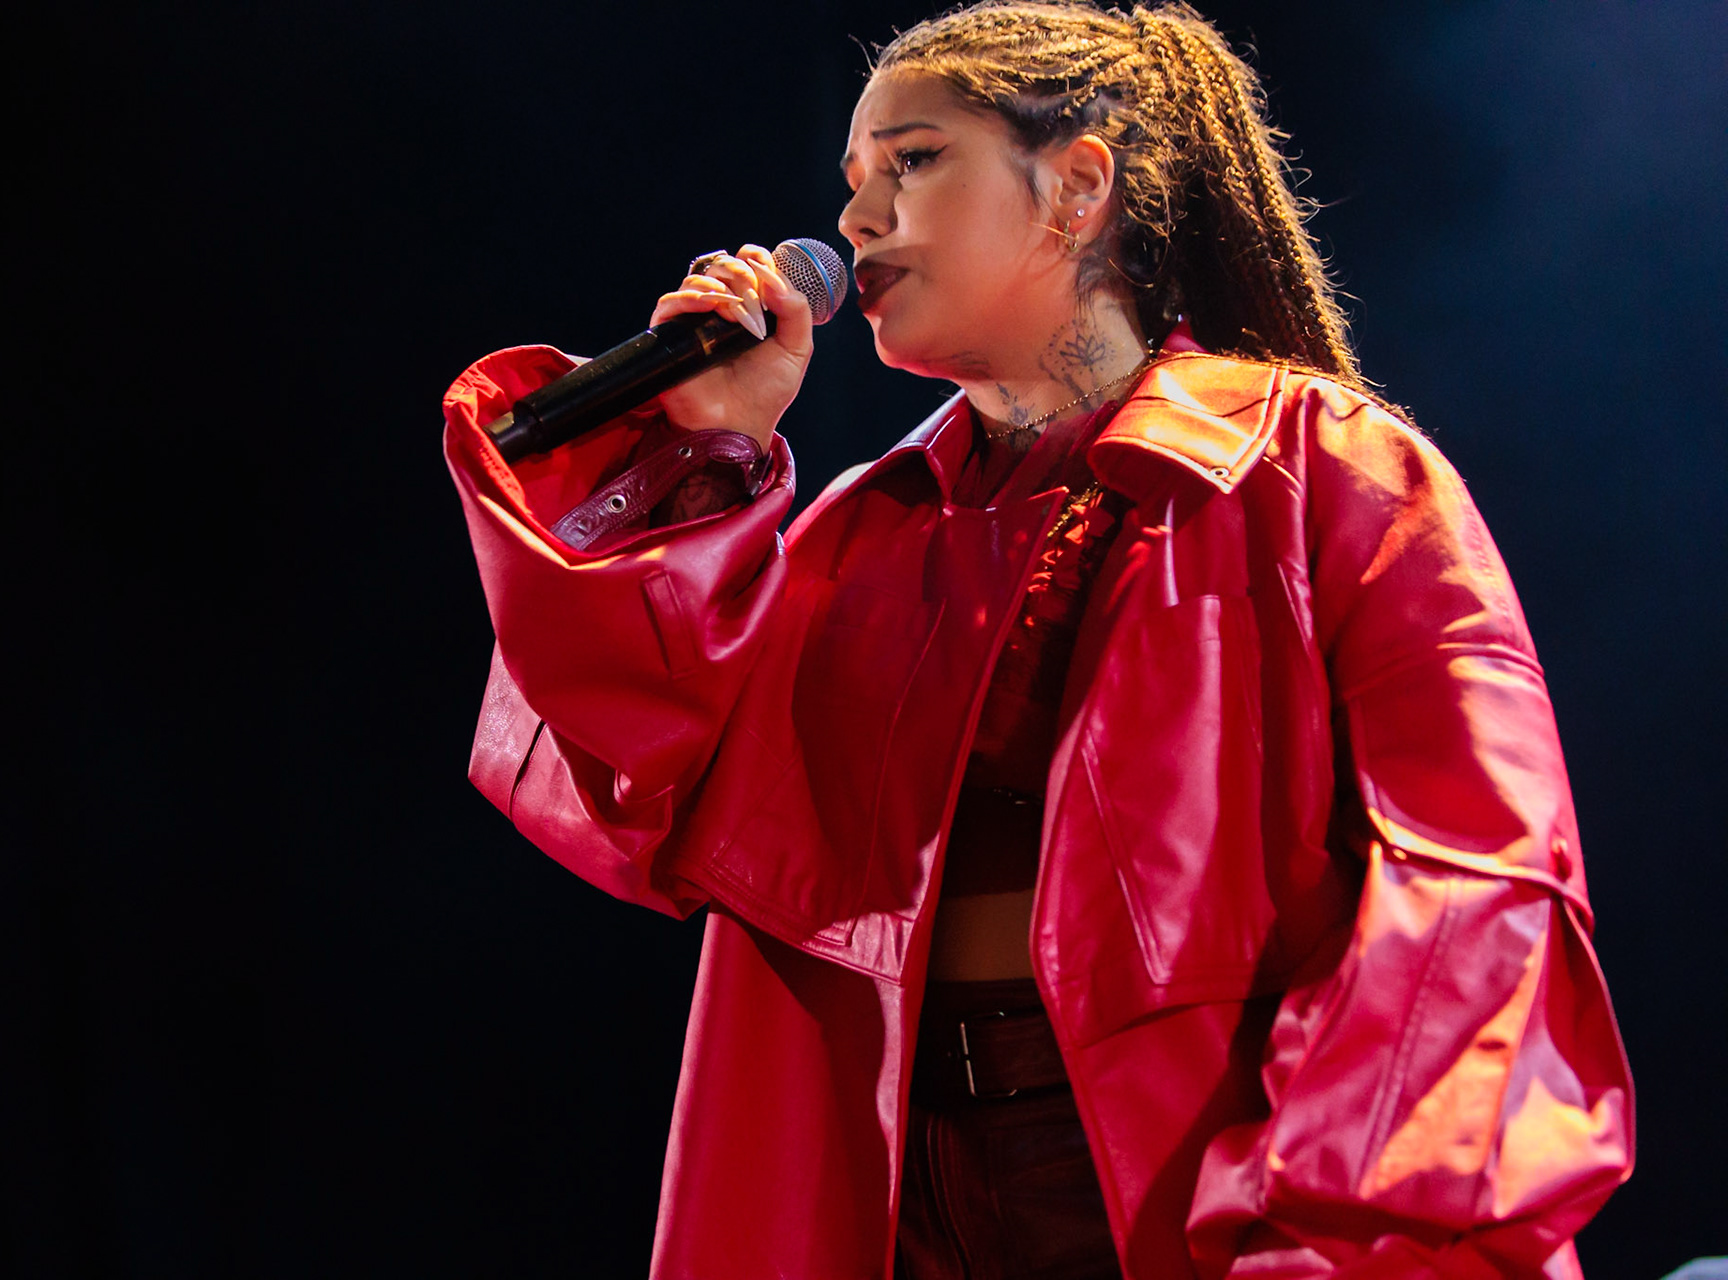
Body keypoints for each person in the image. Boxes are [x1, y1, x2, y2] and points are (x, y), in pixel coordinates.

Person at [440, 3, 1633, 1276]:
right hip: (889, 1188)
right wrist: (710, 444)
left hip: (1181, 1176)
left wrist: (1335, 1224)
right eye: (854, 178)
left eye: (912, 161)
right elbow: (630, 772)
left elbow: (1470, 886)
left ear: (1075, 187)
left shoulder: (1321, 468)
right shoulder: (859, 533)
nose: (855, 220)